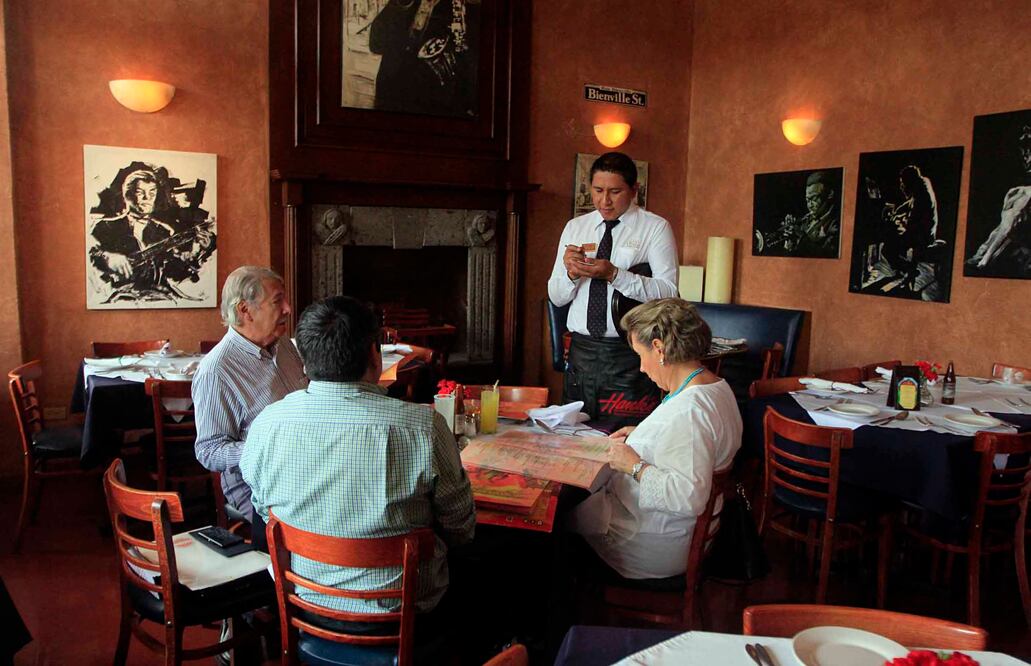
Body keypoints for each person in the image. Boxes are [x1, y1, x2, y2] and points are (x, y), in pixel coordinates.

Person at [240, 295, 475, 623]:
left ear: (305, 364)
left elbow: (266, 513)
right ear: (374, 356)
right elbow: (461, 528)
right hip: (405, 613)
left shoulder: (268, 423)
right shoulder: (424, 427)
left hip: (304, 602)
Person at [569, 298, 742, 580]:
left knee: (552, 522)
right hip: (678, 533)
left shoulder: (690, 411)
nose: (641, 368)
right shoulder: (714, 386)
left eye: (640, 355)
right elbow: (694, 443)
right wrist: (644, 436)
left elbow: (689, 498)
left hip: (652, 544)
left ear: (659, 348)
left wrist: (634, 465)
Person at [547, 152, 679, 426]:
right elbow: (557, 297)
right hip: (581, 353)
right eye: (597, 190)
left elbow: (669, 292)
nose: (604, 201)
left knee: (623, 438)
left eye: (614, 191)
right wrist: (571, 274)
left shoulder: (654, 228)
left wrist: (615, 275)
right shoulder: (575, 227)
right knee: (573, 436)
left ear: (634, 190)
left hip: (629, 354)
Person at [192, 266, 307, 535]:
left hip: (303, 469)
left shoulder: (285, 347)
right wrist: (270, 446)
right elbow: (208, 451)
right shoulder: (217, 370)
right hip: (256, 485)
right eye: (278, 301)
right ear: (245, 310)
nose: (289, 308)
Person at [89, 169, 214, 302]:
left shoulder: (165, 231)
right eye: (140, 192)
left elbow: (177, 274)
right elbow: (89, 255)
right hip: (116, 298)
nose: (147, 198)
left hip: (157, 298)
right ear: (127, 195)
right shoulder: (104, 227)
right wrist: (108, 257)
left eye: (152, 192)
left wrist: (199, 251)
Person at [368, 0, 480, 117]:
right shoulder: (404, 3)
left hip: (436, 106)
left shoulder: (466, 7)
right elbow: (376, 44)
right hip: (393, 100)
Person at [768, 170, 839, 256]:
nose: (810, 205)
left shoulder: (836, 223)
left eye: (814, 198)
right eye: (807, 200)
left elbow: (827, 255)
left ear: (829, 194)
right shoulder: (805, 221)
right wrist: (789, 243)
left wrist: (800, 236)